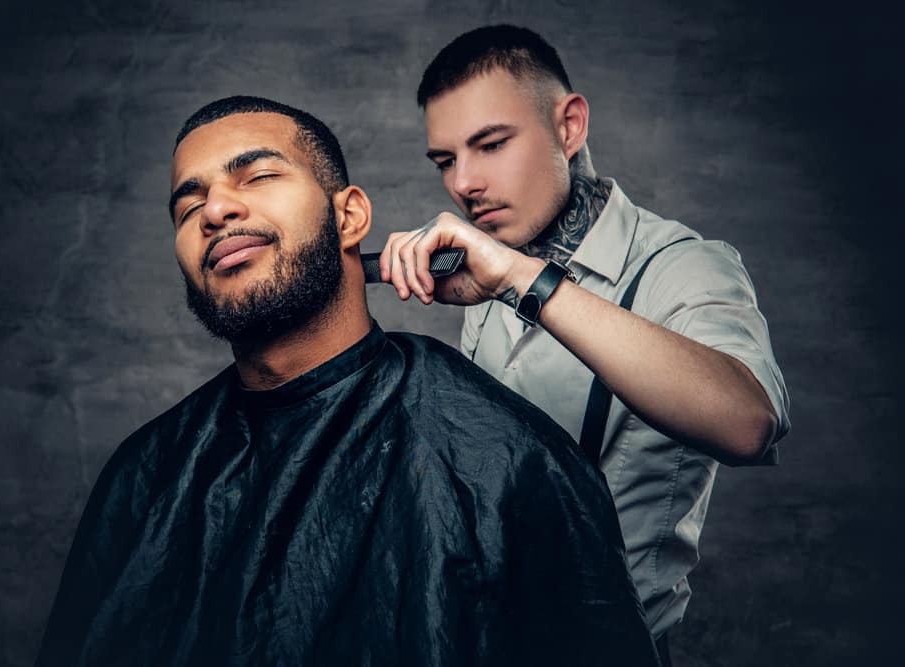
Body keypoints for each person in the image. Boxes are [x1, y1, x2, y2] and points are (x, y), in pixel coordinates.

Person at [35, 95, 661, 666]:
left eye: (257, 176)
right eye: (189, 205)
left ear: (351, 216)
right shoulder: (144, 475)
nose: (216, 209)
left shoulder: (509, 458)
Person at [380, 25, 790, 663]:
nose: (464, 183)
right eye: (445, 160)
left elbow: (748, 423)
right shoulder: (484, 271)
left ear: (569, 126)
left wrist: (520, 278)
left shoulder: (683, 264)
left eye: (490, 144)